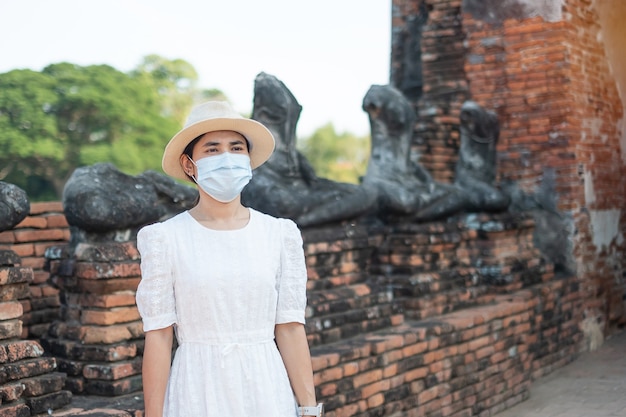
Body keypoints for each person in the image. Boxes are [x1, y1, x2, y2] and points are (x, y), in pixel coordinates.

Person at [135, 101, 322, 417]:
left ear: (248, 160)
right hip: (196, 389)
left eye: (236, 148)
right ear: (190, 164)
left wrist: (308, 410)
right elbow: (159, 336)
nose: (227, 158)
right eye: (212, 149)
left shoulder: (280, 234)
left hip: (266, 388)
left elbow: (290, 328)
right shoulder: (164, 238)